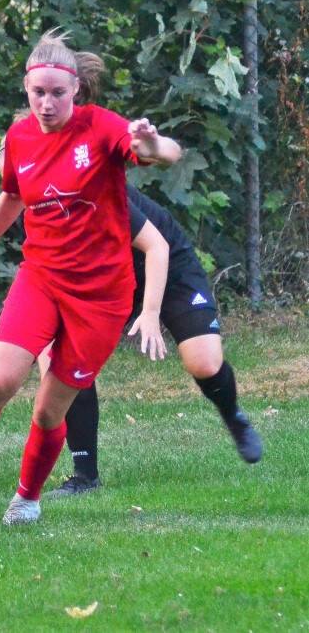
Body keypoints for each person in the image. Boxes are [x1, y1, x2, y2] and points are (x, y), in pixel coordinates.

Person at [0, 29, 182, 526]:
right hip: (41, 279)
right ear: (26, 89)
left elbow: (165, 153)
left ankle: (27, 498)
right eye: (38, 93)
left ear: (76, 89)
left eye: (57, 93)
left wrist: (153, 143)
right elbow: (11, 197)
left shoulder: (101, 127)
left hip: (102, 299)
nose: (47, 104)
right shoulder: (21, 137)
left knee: (49, 411)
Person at [46, 182, 263, 497]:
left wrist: (150, 312)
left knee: (204, 362)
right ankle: (85, 476)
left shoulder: (92, 182)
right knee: (68, 359)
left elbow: (156, 246)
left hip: (169, 264)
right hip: (109, 277)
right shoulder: (31, 204)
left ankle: (232, 415)